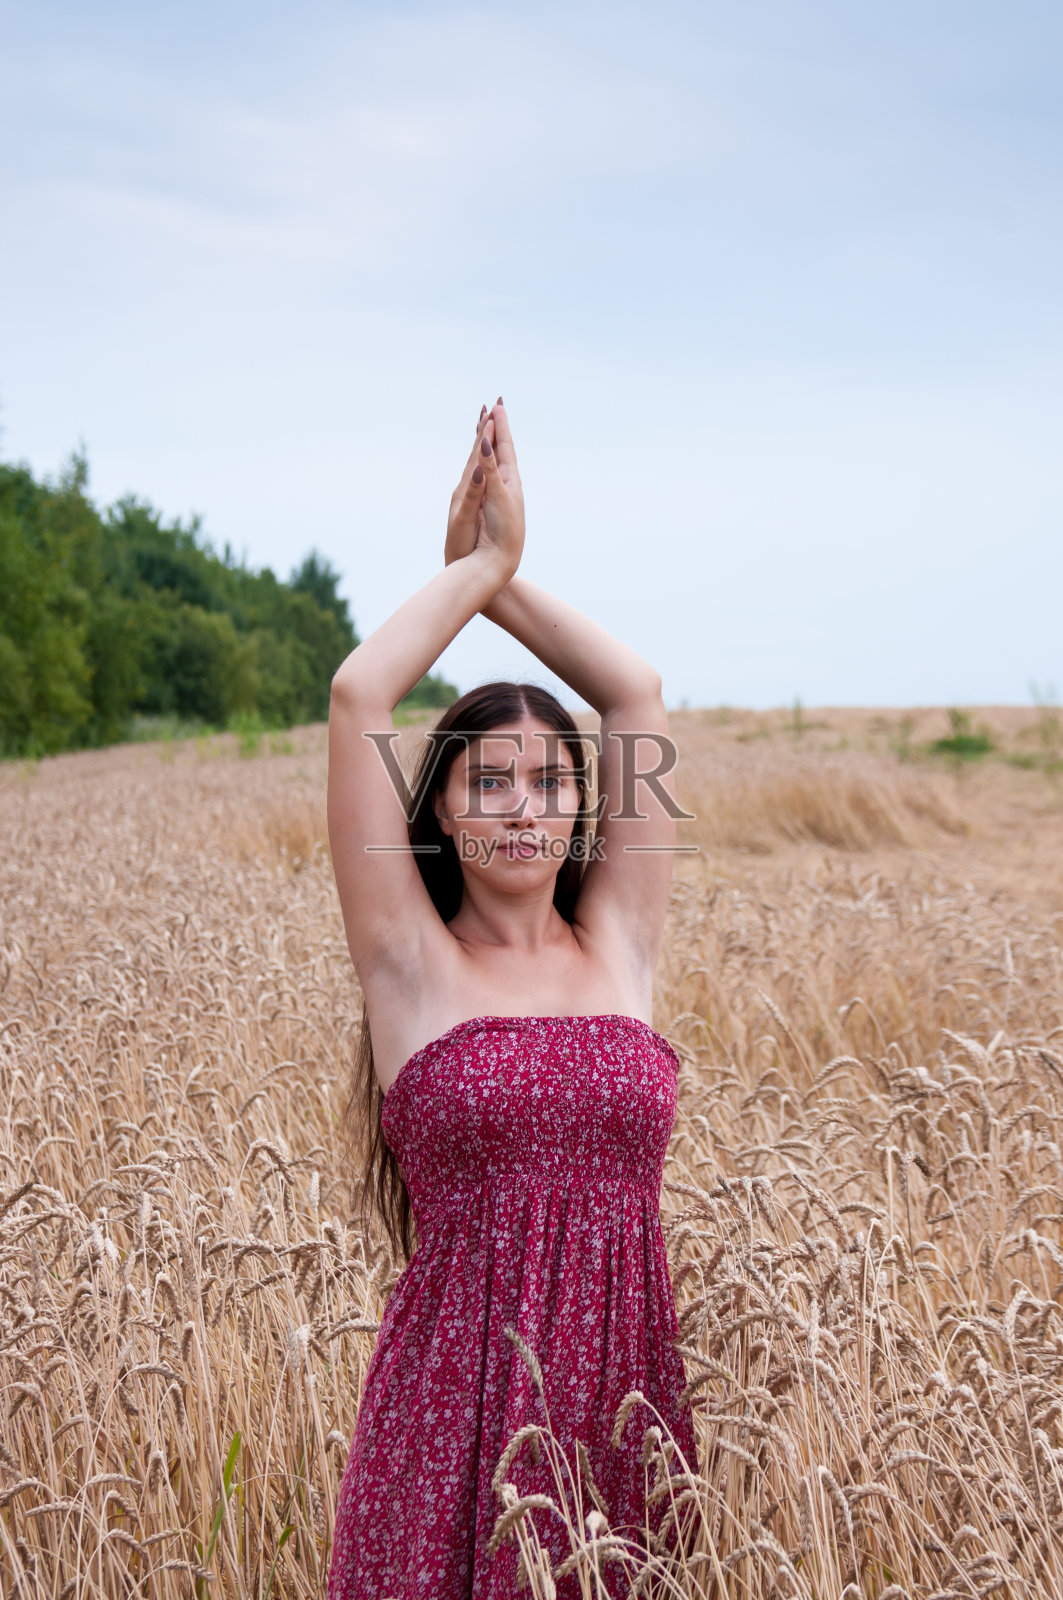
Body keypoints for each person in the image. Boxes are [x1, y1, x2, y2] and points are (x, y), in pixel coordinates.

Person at [325, 400, 698, 1599]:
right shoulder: (409, 963)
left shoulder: (619, 944)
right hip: (451, 1422)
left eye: (549, 781)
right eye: (489, 782)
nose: (524, 806)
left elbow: (633, 693)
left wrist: (501, 585)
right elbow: (355, 697)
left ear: (584, 807)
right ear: (436, 808)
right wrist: (475, 572)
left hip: (624, 1407)